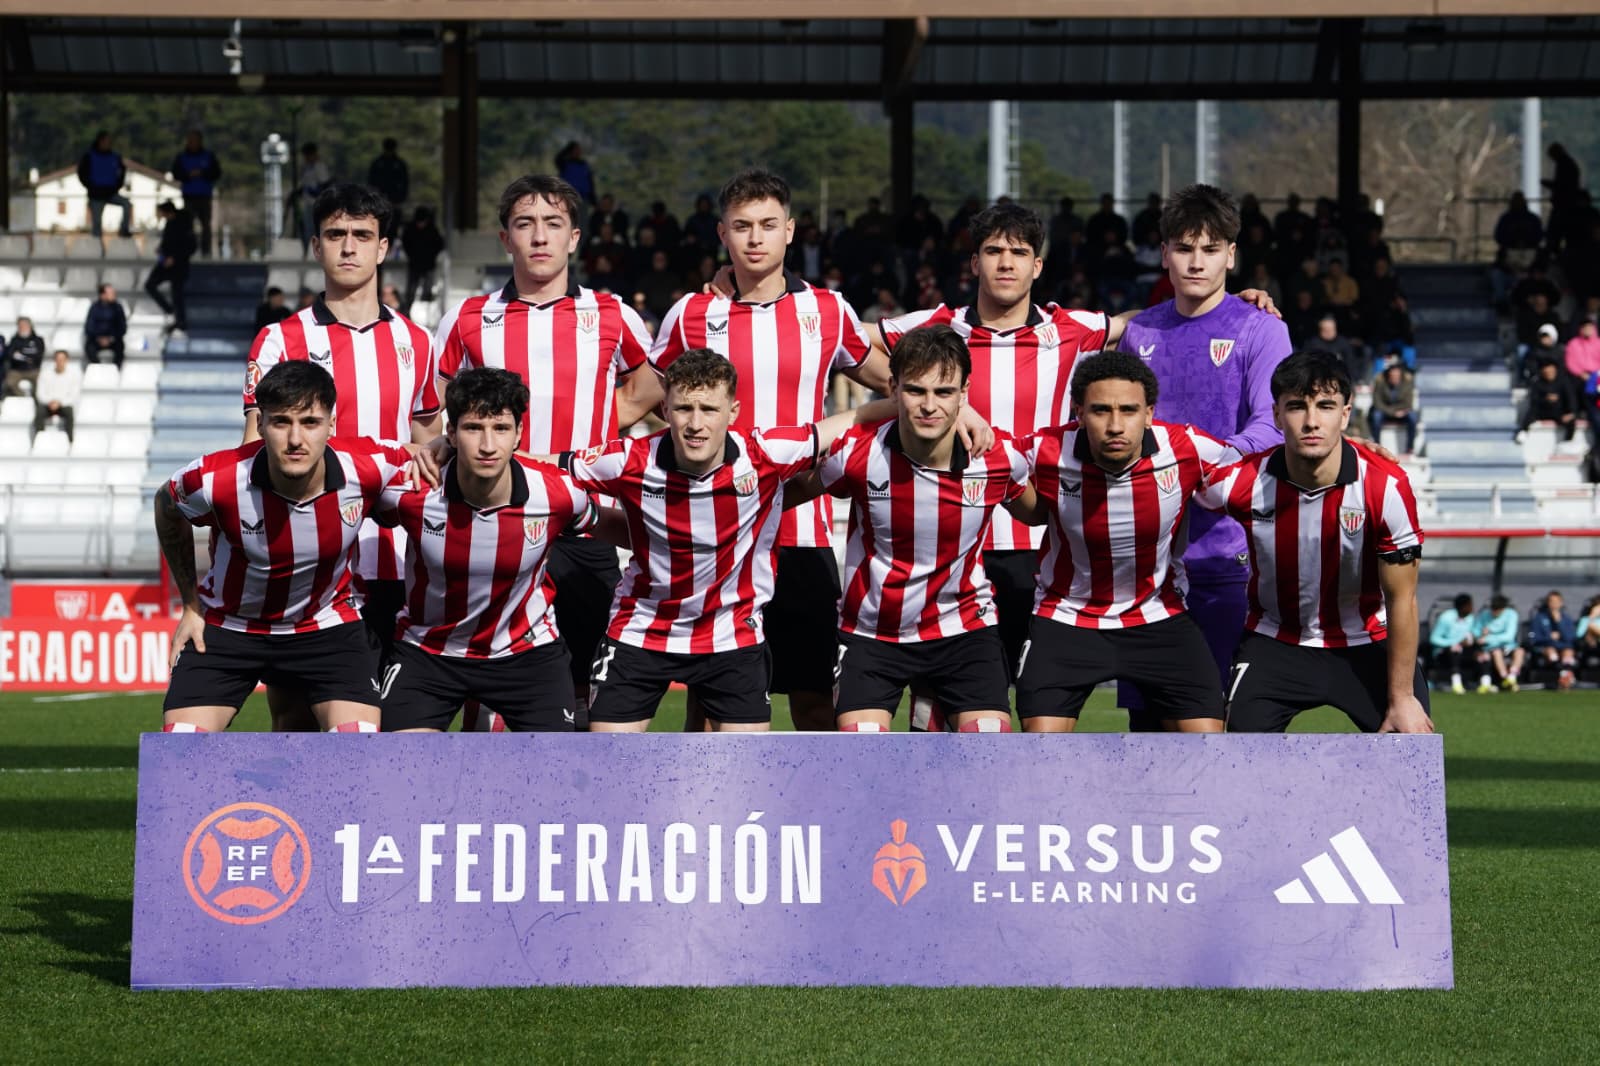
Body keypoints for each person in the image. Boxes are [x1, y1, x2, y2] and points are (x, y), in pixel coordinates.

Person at [651, 168, 895, 732]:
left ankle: (815, 820)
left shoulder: (828, 311)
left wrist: (967, 411)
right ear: (722, 234)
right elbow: (639, 397)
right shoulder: (691, 313)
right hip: (714, 538)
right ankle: (705, 817)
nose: (755, 238)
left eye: (767, 225)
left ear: (791, 231)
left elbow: (898, 388)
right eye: (742, 226)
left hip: (801, 530)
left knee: (813, 699)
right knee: (710, 705)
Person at [560, 349, 891, 732]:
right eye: (684, 408)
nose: (695, 424)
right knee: (609, 768)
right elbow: (546, 467)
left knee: (743, 776)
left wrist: (959, 410)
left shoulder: (765, 452)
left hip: (732, 638)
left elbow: (857, 415)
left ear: (732, 412)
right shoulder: (627, 459)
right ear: (664, 410)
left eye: (709, 410)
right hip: (642, 632)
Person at [432, 174, 658, 727]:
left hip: (588, 527)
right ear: (505, 238)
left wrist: (602, 421)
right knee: (487, 691)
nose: (540, 237)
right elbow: (439, 409)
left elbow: (651, 386)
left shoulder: (612, 315)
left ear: (574, 238)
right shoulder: (467, 319)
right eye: (525, 224)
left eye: (553, 224)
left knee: (583, 693)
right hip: (494, 527)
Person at [1110, 184, 1294, 730]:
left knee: (1217, 728)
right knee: (1147, 730)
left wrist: (1199, 466)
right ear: (1164, 253)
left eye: (1210, 249)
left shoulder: (1260, 327)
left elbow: (1272, 423)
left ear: (1231, 256)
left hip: (1228, 555)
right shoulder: (1138, 330)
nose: (1196, 262)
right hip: (1147, 565)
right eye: (1184, 248)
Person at [244, 182, 442, 673]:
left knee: (395, 718)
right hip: (307, 558)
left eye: (361, 234)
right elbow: (252, 449)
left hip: (396, 558)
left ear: (383, 247)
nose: (348, 246)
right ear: (316, 246)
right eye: (335, 234)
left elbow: (427, 452)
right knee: (296, 716)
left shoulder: (416, 341)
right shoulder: (279, 339)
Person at [155, 361, 414, 734]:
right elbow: (166, 506)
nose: (296, 439)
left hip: (326, 628)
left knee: (360, 749)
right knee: (180, 749)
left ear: (332, 424)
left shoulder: (368, 466)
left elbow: (444, 453)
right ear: (259, 424)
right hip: (229, 627)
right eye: (281, 422)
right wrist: (191, 605)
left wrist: (440, 444)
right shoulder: (217, 478)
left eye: (310, 422)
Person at [810, 325, 1036, 734]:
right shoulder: (856, 453)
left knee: (989, 746)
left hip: (963, 630)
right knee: (860, 756)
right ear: (894, 388)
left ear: (964, 394)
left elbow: (1038, 514)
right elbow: (778, 493)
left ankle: (930, 712)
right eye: (916, 391)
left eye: (944, 393)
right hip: (873, 633)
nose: (929, 405)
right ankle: (924, 712)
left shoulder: (998, 458)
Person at [1195, 352, 1432, 734]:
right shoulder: (1243, 482)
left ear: (1345, 413)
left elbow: (1402, 598)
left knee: (1411, 748)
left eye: (1325, 406)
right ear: (1275, 415)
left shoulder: (1385, 486)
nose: (1310, 421)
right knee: (1236, 763)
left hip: (1366, 643)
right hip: (1274, 640)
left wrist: (1402, 697)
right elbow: (1176, 465)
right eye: (1296, 407)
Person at [375, 369, 611, 733]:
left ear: (518, 434)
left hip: (527, 656)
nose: (487, 445)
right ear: (450, 433)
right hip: (429, 654)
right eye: (473, 428)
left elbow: (606, 525)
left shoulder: (557, 493)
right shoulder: (411, 491)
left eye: (500, 428)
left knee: (554, 777)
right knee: (400, 771)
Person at [1012, 352, 1233, 733]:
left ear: (1149, 413)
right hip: (1065, 618)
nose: (1116, 425)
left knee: (1209, 749)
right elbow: (981, 450)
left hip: (1160, 617)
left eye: (1128, 410)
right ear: (1078, 413)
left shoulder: (1187, 449)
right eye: (1100, 411)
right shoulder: (1044, 450)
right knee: (1040, 753)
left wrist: (1355, 450)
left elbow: (1268, 473)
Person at [145, 201, 196, 334]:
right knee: (150, 285)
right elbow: (167, 241)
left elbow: (190, 246)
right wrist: (161, 249)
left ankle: (181, 322)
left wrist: (174, 258)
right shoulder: (169, 223)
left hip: (179, 265)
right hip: (165, 264)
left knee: (177, 294)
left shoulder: (185, 224)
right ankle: (170, 310)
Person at [171, 130, 222, 256]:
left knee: (206, 225)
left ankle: (206, 251)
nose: (192, 143)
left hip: (204, 195)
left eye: (195, 141)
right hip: (189, 195)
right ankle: (188, 250)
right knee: (187, 225)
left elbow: (216, 173)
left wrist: (203, 173)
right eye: (190, 141)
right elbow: (176, 174)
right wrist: (188, 175)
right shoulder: (182, 157)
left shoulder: (208, 156)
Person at [77, 131, 132, 239]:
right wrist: (90, 186)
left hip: (111, 193)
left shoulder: (115, 157)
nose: (108, 144)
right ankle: (97, 248)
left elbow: (122, 171)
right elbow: (81, 173)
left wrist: (117, 186)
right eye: (106, 141)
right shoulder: (89, 156)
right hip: (95, 195)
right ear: (100, 141)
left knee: (127, 205)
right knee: (97, 223)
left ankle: (123, 230)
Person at [1517, 356, 1580, 443]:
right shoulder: (1537, 383)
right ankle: (1523, 431)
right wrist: (1545, 399)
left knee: (1571, 421)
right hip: (1542, 411)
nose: (1549, 373)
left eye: (1551, 371)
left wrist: (1572, 412)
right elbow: (1534, 401)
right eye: (1546, 371)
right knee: (1531, 413)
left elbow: (1571, 398)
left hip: (1559, 412)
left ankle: (1568, 441)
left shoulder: (1564, 382)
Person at [1429, 593, 1481, 695]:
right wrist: (1455, 643)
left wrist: (1474, 638)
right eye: (1470, 605)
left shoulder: (1471, 618)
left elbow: (1474, 633)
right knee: (1455, 649)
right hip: (1444, 653)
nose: (1472, 608)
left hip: (1466, 651)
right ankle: (1456, 684)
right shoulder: (1446, 618)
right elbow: (1434, 639)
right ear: (1463, 606)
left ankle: (1484, 683)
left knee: (1483, 654)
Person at [399, 206, 446, 314]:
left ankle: (426, 313)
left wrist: (432, 256)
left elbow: (439, 245)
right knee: (411, 291)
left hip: (429, 265)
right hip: (414, 264)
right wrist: (411, 255)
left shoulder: (432, 230)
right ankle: (407, 312)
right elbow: (405, 244)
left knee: (427, 290)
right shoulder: (410, 230)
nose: (420, 225)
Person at [1528, 591, 1578, 689]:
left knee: (1568, 652)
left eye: (1556, 602)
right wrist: (1549, 637)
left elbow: (1570, 638)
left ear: (1561, 603)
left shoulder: (1566, 618)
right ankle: (1563, 676)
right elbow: (1534, 638)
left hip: (1563, 646)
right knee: (1551, 652)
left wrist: (1559, 622)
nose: (1554, 604)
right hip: (1546, 647)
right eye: (1552, 601)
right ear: (1548, 603)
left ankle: (1565, 678)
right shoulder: (1539, 617)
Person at [1475, 594, 1525, 691]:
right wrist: (1482, 635)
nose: (1495, 612)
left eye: (1498, 609)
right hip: (1490, 648)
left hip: (1509, 646)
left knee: (1520, 652)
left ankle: (1512, 678)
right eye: (1493, 609)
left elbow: (1508, 637)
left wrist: (1488, 638)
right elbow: (1477, 633)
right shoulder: (1484, 615)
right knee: (1496, 652)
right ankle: (1505, 678)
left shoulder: (1512, 614)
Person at [1369, 360, 1419, 455]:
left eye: (1397, 376)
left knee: (1413, 416)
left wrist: (1401, 412)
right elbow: (1377, 402)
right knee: (1376, 415)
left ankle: (1410, 447)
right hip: (1386, 411)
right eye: (1392, 376)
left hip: (1402, 412)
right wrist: (1393, 412)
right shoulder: (1380, 381)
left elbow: (1408, 403)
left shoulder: (1407, 382)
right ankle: (1377, 445)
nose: (1394, 378)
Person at [32, 349, 81, 440]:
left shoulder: (73, 375)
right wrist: (50, 402)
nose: (59, 362)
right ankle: (38, 439)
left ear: (66, 360)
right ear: (54, 360)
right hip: (48, 404)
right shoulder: (45, 374)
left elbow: (74, 395)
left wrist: (59, 402)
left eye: (62, 359)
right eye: (57, 359)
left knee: (70, 413)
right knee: (39, 413)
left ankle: (70, 441)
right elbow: (40, 393)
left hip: (64, 405)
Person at [297, 143, 332, 252]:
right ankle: (308, 251)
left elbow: (325, 184)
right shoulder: (306, 168)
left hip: (317, 202)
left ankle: (317, 251)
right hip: (308, 202)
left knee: (316, 228)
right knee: (307, 229)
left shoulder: (319, 166)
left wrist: (315, 192)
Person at [84, 284, 128, 369]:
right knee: (89, 348)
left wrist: (111, 338)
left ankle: (115, 371)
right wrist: (99, 338)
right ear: (102, 295)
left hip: (113, 339)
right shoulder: (94, 308)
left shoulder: (118, 308)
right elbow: (89, 327)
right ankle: (98, 370)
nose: (114, 294)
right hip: (97, 339)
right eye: (110, 293)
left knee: (120, 347)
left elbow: (122, 328)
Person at [366, 138, 409, 226]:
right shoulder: (378, 163)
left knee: (393, 223)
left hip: (395, 199)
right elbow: (371, 181)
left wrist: (401, 198)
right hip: (379, 198)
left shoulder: (399, 164)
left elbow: (404, 182)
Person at [3, 317, 46, 397]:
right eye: (20, 325)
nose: (22, 327)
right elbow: (11, 355)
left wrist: (21, 356)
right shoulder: (14, 340)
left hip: (34, 370)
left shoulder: (38, 340)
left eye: (24, 325)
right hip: (17, 370)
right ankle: (23, 397)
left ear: (30, 326)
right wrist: (27, 358)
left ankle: (37, 403)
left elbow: (38, 355)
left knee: (41, 385)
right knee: (8, 383)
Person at [554, 141, 596, 206]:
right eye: (576, 149)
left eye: (579, 149)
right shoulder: (565, 164)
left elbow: (589, 182)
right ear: (570, 150)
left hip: (582, 198)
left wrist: (593, 199)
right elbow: (558, 158)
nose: (578, 151)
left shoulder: (584, 165)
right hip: (568, 198)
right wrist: (567, 149)